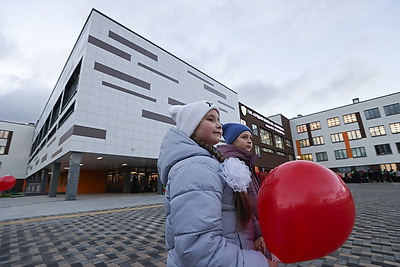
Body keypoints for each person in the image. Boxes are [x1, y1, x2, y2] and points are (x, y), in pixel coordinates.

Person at [157, 101, 269, 266]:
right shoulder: (194, 168)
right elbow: (198, 247)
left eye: (218, 120)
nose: (218, 125)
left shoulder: (212, 163)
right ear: (192, 126)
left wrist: (255, 236)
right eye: (210, 119)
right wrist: (260, 263)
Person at [218, 123, 279, 266]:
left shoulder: (245, 160)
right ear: (232, 141)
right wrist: (258, 233)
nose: (250, 141)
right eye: (244, 137)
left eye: (250, 137)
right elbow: (246, 201)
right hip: (246, 228)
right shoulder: (234, 163)